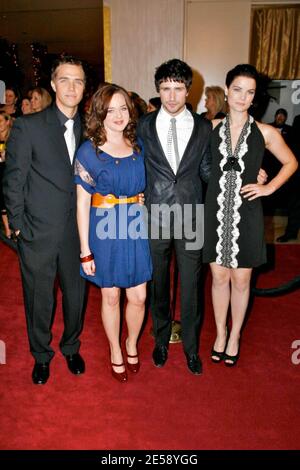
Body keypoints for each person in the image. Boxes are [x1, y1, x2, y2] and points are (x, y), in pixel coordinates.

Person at [203, 64, 298, 366]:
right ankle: (220, 332)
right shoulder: (212, 128)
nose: (242, 97)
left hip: (248, 214)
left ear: (254, 98)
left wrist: (268, 187)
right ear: (227, 91)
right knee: (218, 278)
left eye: (250, 92)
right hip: (214, 211)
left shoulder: (265, 132)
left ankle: (235, 336)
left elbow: (291, 163)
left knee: (241, 281)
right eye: (237, 90)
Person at [3, 55, 87, 385]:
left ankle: (71, 346)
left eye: (78, 81)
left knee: (76, 295)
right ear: (53, 85)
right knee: (39, 297)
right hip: (38, 230)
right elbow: (14, 179)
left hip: (79, 232)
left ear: (84, 87)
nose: (71, 87)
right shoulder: (29, 126)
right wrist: (20, 224)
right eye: (64, 80)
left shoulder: (91, 129)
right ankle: (41, 354)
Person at [137, 58, 212, 375]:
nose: (171, 96)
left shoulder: (204, 127)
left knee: (192, 285)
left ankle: (192, 349)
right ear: (158, 90)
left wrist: (249, 174)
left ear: (188, 90)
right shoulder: (143, 125)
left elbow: (209, 170)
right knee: (158, 283)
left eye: (177, 89)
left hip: (192, 214)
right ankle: (161, 341)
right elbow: (135, 165)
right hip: (154, 213)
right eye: (165, 89)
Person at [75, 84, 152, 383]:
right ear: (99, 113)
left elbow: (139, 187)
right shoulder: (89, 151)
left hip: (133, 225)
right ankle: (115, 351)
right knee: (110, 296)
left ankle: (132, 342)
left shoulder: (137, 145)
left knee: (139, 296)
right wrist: (85, 250)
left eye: (123, 108)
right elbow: (82, 203)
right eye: (111, 109)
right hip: (103, 229)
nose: (118, 115)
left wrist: (136, 199)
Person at [0, 112, 13, 238]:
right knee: (2, 202)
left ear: (7, 121)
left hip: (10, 172)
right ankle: (7, 229)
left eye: (1, 120)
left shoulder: (13, 137)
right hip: (0, 171)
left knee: (11, 200)